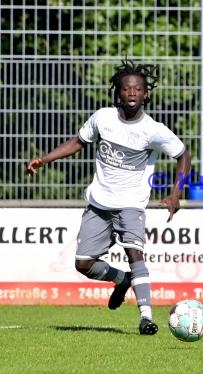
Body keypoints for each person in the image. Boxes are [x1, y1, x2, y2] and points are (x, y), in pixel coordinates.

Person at [27, 59, 191, 335]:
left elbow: (183, 155)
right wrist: (45, 159)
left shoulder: (153, 129)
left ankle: (146, 317)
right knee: (83, 264)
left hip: (131, 204)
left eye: (137, 89)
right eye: (126, 88)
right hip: (99, 204)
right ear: (118, 92)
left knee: (134, 252)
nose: (132, 93)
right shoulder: (102, 118)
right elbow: (78, 142)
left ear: (145, 94)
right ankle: (123, 280)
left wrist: (177, 193)